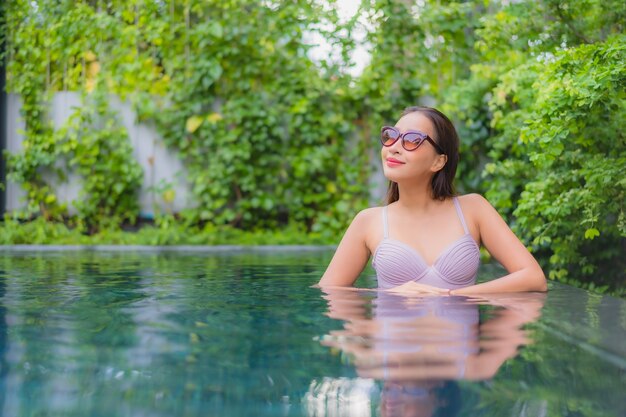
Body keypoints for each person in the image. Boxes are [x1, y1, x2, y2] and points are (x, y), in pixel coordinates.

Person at [318, 106, 547, 295]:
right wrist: (389, 293)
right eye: (391, 136)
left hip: (457, 350)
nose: (394, 148)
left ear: (438, 162)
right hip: (394, 349)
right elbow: (328, 290)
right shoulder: (368, 221)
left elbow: (533, 278)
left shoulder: (473, 209)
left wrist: (453, 295)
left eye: (412, 140)